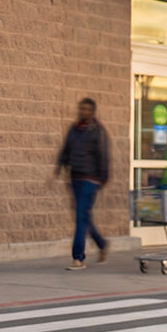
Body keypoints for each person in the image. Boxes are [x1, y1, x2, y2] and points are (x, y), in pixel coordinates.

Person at [53, 97, 111, 270]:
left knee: (80, 217)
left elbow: (104, 155)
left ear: (92, 111)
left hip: (90, 179)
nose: (83, 111)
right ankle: (101, 244)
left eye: (86, 109)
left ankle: (78, 258)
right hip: (75, 177)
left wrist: (103, 179)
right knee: (83, 216)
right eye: (81, 108)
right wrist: (58, 168)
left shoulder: (98, 131)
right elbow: (66, 150)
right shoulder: (74, 129)